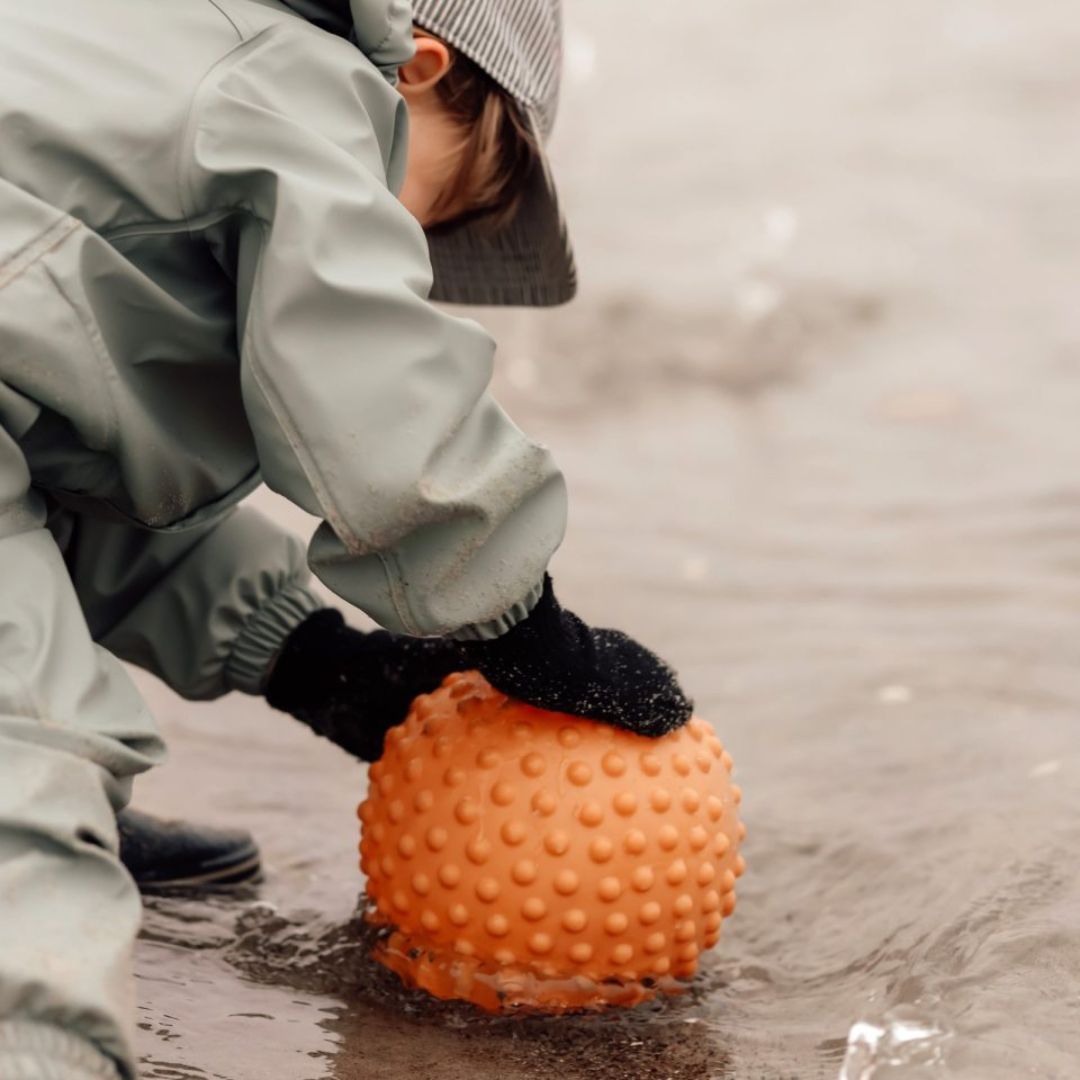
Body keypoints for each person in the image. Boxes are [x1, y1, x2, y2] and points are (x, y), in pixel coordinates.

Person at [0, 1, 692, 1077]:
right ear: (418, 71)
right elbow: (366, 378)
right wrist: (521, 619)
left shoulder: (136, 60)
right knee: (24, 770)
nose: (403, 251)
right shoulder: (310, 88)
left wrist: (312, 660)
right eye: (424, 219)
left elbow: (69, 498)